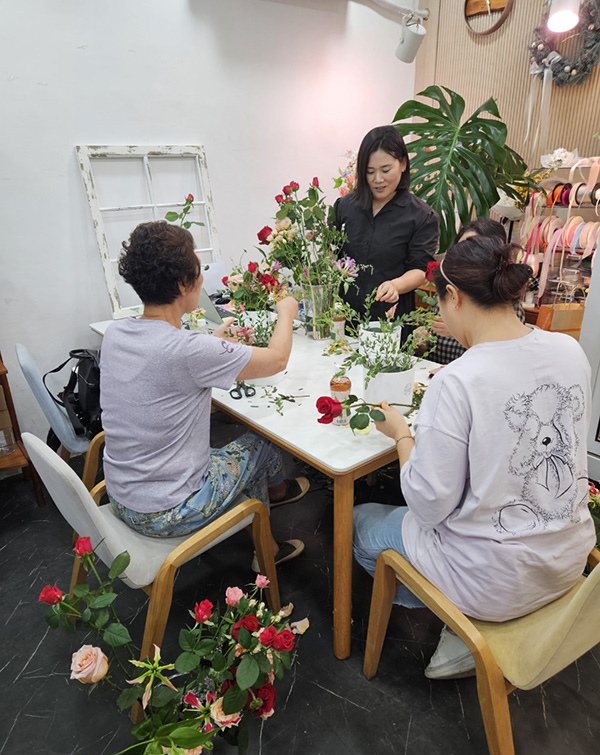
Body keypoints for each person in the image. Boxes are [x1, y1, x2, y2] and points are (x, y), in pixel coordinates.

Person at [353, 236, 595, 679]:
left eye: (439, 303)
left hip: (493, 584)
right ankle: (462, 627)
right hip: (567, 563)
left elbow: (428, 506)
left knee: (360, 523)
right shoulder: (569, 350)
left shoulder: (458, 380)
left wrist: (402, 434)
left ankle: (463, 626)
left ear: (454, 296)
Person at [100, 221, 308, 567]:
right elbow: (276, 360)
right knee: (262, 442)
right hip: (168, 511)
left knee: (236, 456)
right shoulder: (189, 350)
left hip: (122, 495)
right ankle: (276, 498)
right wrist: (285, 313)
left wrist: (214, 345)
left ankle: (268, 540)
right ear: (184, 283)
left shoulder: (116, 334)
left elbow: (168, 365)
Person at [333, 125, 439, 326]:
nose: (378, 180)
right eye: (370, 171)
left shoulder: (421, 216)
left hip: (391, 320)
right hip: (345, 317)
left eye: (386, 170)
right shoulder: (345, 207)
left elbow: (419, 270)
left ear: (403, 164)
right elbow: (333, 255)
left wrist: (396, 285)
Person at [428, 218, 528, 365]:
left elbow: (504, 358)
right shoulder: (447, 291)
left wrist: (460, 334)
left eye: (474, 249)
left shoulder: (507, 305)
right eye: (461, 248)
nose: (465, 256)